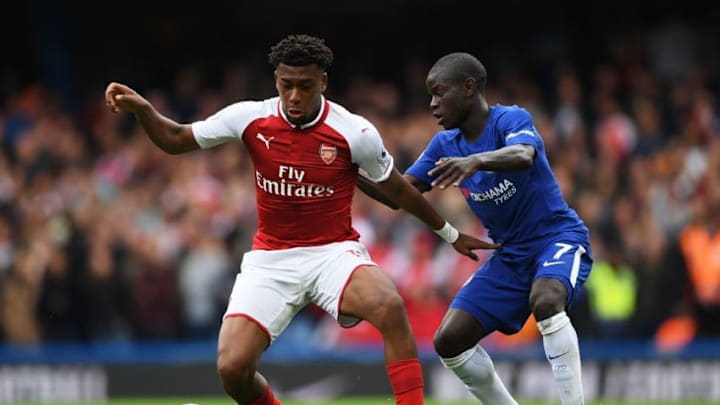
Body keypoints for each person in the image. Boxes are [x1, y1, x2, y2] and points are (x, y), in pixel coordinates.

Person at [104, 35, 499, 405]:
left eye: (305, 85)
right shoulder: (249, 118)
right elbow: (175, 139)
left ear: (323, 82)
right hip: (271, 259)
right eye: (286, 84)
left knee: (389, 305)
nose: (294, 95)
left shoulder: (354, 131)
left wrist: (448, 233)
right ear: (276, 80)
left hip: (333, 253)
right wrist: (144, 111)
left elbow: (397, 192)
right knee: (232, 368)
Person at [376, 52, 594, 405]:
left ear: (468, 88)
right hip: (509, 256)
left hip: (556, 237)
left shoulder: (509, 119)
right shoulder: (444, 145)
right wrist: (351, 168)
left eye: (438, 93)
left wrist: (477, 160)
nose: (432, 104)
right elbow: (398, 194)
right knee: (448, 340)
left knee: (547, 300)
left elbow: (524, 155)